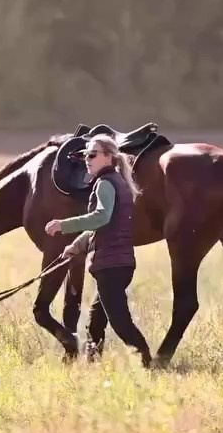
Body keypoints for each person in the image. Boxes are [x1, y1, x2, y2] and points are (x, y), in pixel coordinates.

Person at [45, 134, 153, 367]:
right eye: (86, 155)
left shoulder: (105, 183)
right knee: (96, 321)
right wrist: (75, 246)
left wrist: (63, 225)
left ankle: (148, 362)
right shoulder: (117, 181)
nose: (87, 159)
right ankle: (93, 365)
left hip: (111, 264)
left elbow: (101, 218)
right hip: (118, 262)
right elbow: (105, 225)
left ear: (109, 157)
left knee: (120, 322)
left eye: (92, 155)